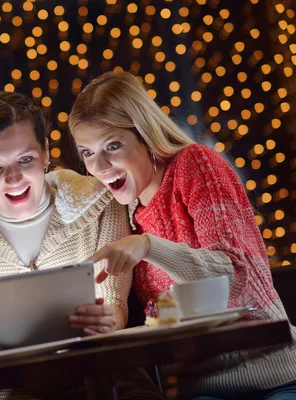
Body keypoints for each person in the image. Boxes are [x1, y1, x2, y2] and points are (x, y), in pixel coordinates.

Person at [69, 70, 296, 399]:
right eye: (87, 153)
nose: (100, 166)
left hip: (273, 375)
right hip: (200, 388)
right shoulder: (124, 211)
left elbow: (239, 277)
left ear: (145, 135)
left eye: (113, 145)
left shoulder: (195, 165)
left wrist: (148, 246)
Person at [0, 92, 162, 399]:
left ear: (46, 153)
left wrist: (110, 319)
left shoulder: (101, 202)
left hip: (107, 374)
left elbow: (114, 303)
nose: (13, 178)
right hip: (18, 387)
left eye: (26, 160)